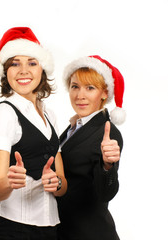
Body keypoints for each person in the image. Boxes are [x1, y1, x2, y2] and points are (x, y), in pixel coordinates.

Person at [0, 27, 67, 240]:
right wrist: (10, 181)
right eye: (15, 63)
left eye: (32, 62)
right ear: (5, 71)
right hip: (11, 229)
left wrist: (55, 182)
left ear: (42, 69)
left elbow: (62, 184)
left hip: (49, 228)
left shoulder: (50, 115)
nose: (23, 70)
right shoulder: (4, 113)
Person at [57, 55, 125, 240]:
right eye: (75, 86)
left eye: (90, 88)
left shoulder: (107, 133)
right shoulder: (73, 128)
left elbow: (105, 193)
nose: (80, 95)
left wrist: (107, 165)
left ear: (104, 93)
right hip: (66, 231)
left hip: (90, 233)